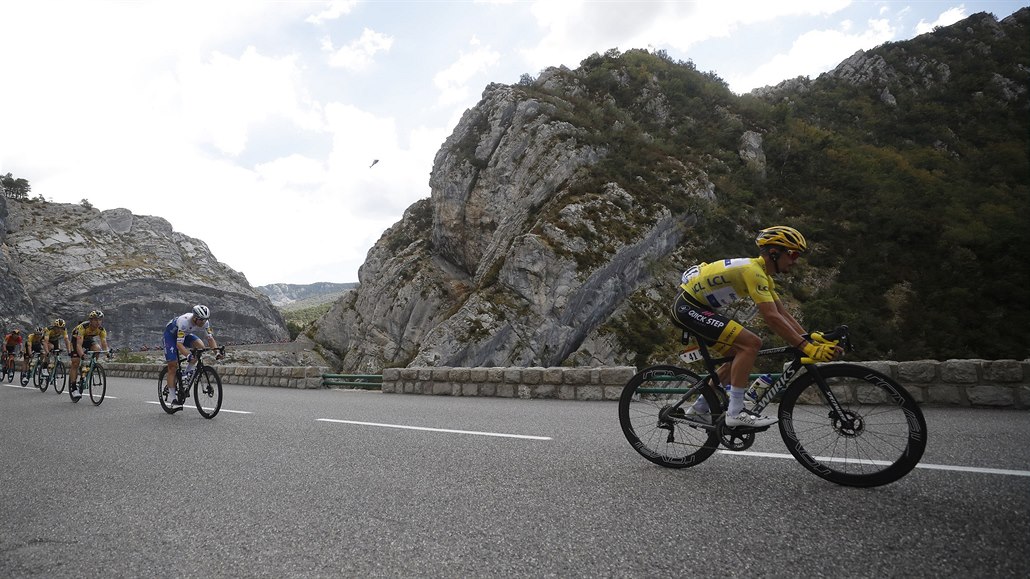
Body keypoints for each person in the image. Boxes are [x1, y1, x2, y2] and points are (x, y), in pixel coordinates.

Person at [671, 225, 842, 428]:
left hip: (699, 308)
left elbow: (782, 313)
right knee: (752, 343)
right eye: (793, 254)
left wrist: (808, 338)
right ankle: (735, 412)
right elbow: (771, 317)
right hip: (687, 307)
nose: (795, 261)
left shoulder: (763, 276)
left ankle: (699, 410)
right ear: (774, 253)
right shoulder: (753, 271)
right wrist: (807, 348)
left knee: (738, 355)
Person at [162, 305, 220, 407]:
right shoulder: (184, 322)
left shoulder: (205, 323)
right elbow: (179, 344)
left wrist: (217, 352)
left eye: (205, 320)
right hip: (171, 336)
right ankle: (172, 398)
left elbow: (210, 339)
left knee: (200, 347)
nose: (203, 322)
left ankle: (187, 373)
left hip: (185, 334)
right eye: (201, 320)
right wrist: (188, 355)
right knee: (173, 366)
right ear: (195, 317)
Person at [69, 310, 111, 401]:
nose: (98, 322)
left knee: (97, 348)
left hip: (88, 339)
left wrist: (107, 353)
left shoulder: (101, 329)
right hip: (76, 339)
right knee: (75, 362)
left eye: (100, 320)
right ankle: (73, 387)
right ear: (91, 320)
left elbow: (104, 343)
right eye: (95, 320)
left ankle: (90, 366)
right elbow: (79, 345)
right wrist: (82, 355)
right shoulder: (83, 327)